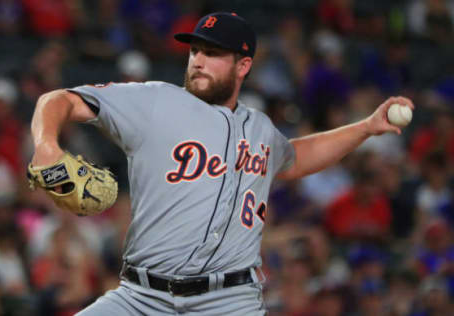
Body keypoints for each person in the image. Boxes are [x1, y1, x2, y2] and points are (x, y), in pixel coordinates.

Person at [29, 12, 414, 316]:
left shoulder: (260, 129)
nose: (197, 61)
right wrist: (47, 145)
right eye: (195, 50)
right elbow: (59, 99)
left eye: (212, 53)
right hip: (140, 298)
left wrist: (366, 127)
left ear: (243, 65)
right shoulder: (153, 101)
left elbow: (295, 158)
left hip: (228, 302)